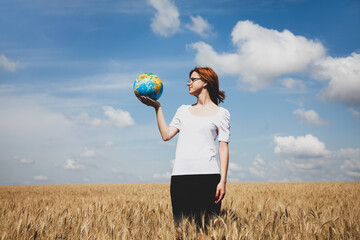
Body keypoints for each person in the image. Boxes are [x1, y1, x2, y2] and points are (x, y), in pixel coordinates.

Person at [138, 66, 230, 236]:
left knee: (204, 232)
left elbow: (223, 148)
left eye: (192, 79)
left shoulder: (221, 114)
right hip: (180, 177)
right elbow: (166, 135)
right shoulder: (182, 110)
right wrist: (157, 108)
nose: (188, 83)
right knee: (180, 232)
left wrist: (223, 180)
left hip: (208, 177)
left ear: (205, 82)